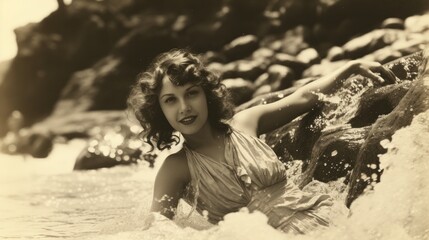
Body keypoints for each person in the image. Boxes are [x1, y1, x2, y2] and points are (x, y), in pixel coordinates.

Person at [127, 49, 396, 233]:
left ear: (206, 94)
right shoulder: (175, 169)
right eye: (171, 100)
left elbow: (302, 98)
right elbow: (157, 230)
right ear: (159, 110)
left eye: (192, 93)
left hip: (323, 224)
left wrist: (349, 68)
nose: (184, 107)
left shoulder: (245, 124)